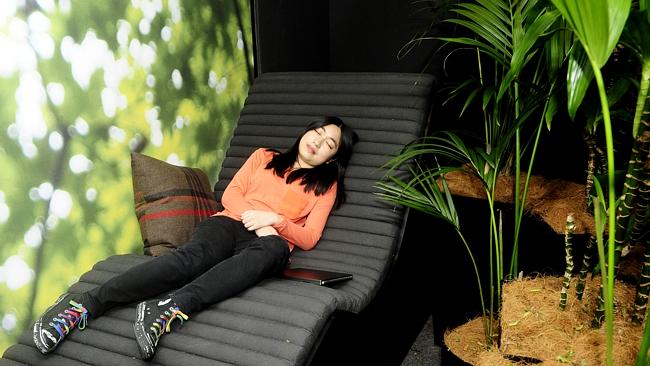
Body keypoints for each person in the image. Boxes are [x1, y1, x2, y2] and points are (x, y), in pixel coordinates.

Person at [32, 116, 358, 360]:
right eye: (317, 131)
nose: (318, 141)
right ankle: (83, 305)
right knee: (190, 260)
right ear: (306, 131)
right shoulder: (264, 157)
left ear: (331, 158)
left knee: (272, 249)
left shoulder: (325, 187)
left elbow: (310, 236)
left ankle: (169, 307)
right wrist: (255, 219)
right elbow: (232, 195)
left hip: (269, 243)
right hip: (229, 223)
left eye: (329, 143)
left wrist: (274, 221)